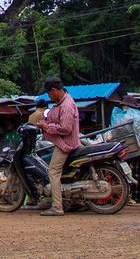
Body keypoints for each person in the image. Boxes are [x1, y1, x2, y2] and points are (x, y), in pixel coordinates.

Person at [35, 77, 80, 217]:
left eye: (49, 92)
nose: (48, 95)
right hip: (64, 142)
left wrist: (46, 126)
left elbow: (65, 128)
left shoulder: (66, 106)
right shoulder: (63, 101)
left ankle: (57, 207)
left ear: (54, 91)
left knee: (53, 172)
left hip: (65, 144)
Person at [110, 96, 140, 204]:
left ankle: (131, 197)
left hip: (131, 147)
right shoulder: (138, 115)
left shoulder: (129, 116)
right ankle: (139, 197)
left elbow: (118, 130)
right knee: (139, 173)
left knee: (131, 173)